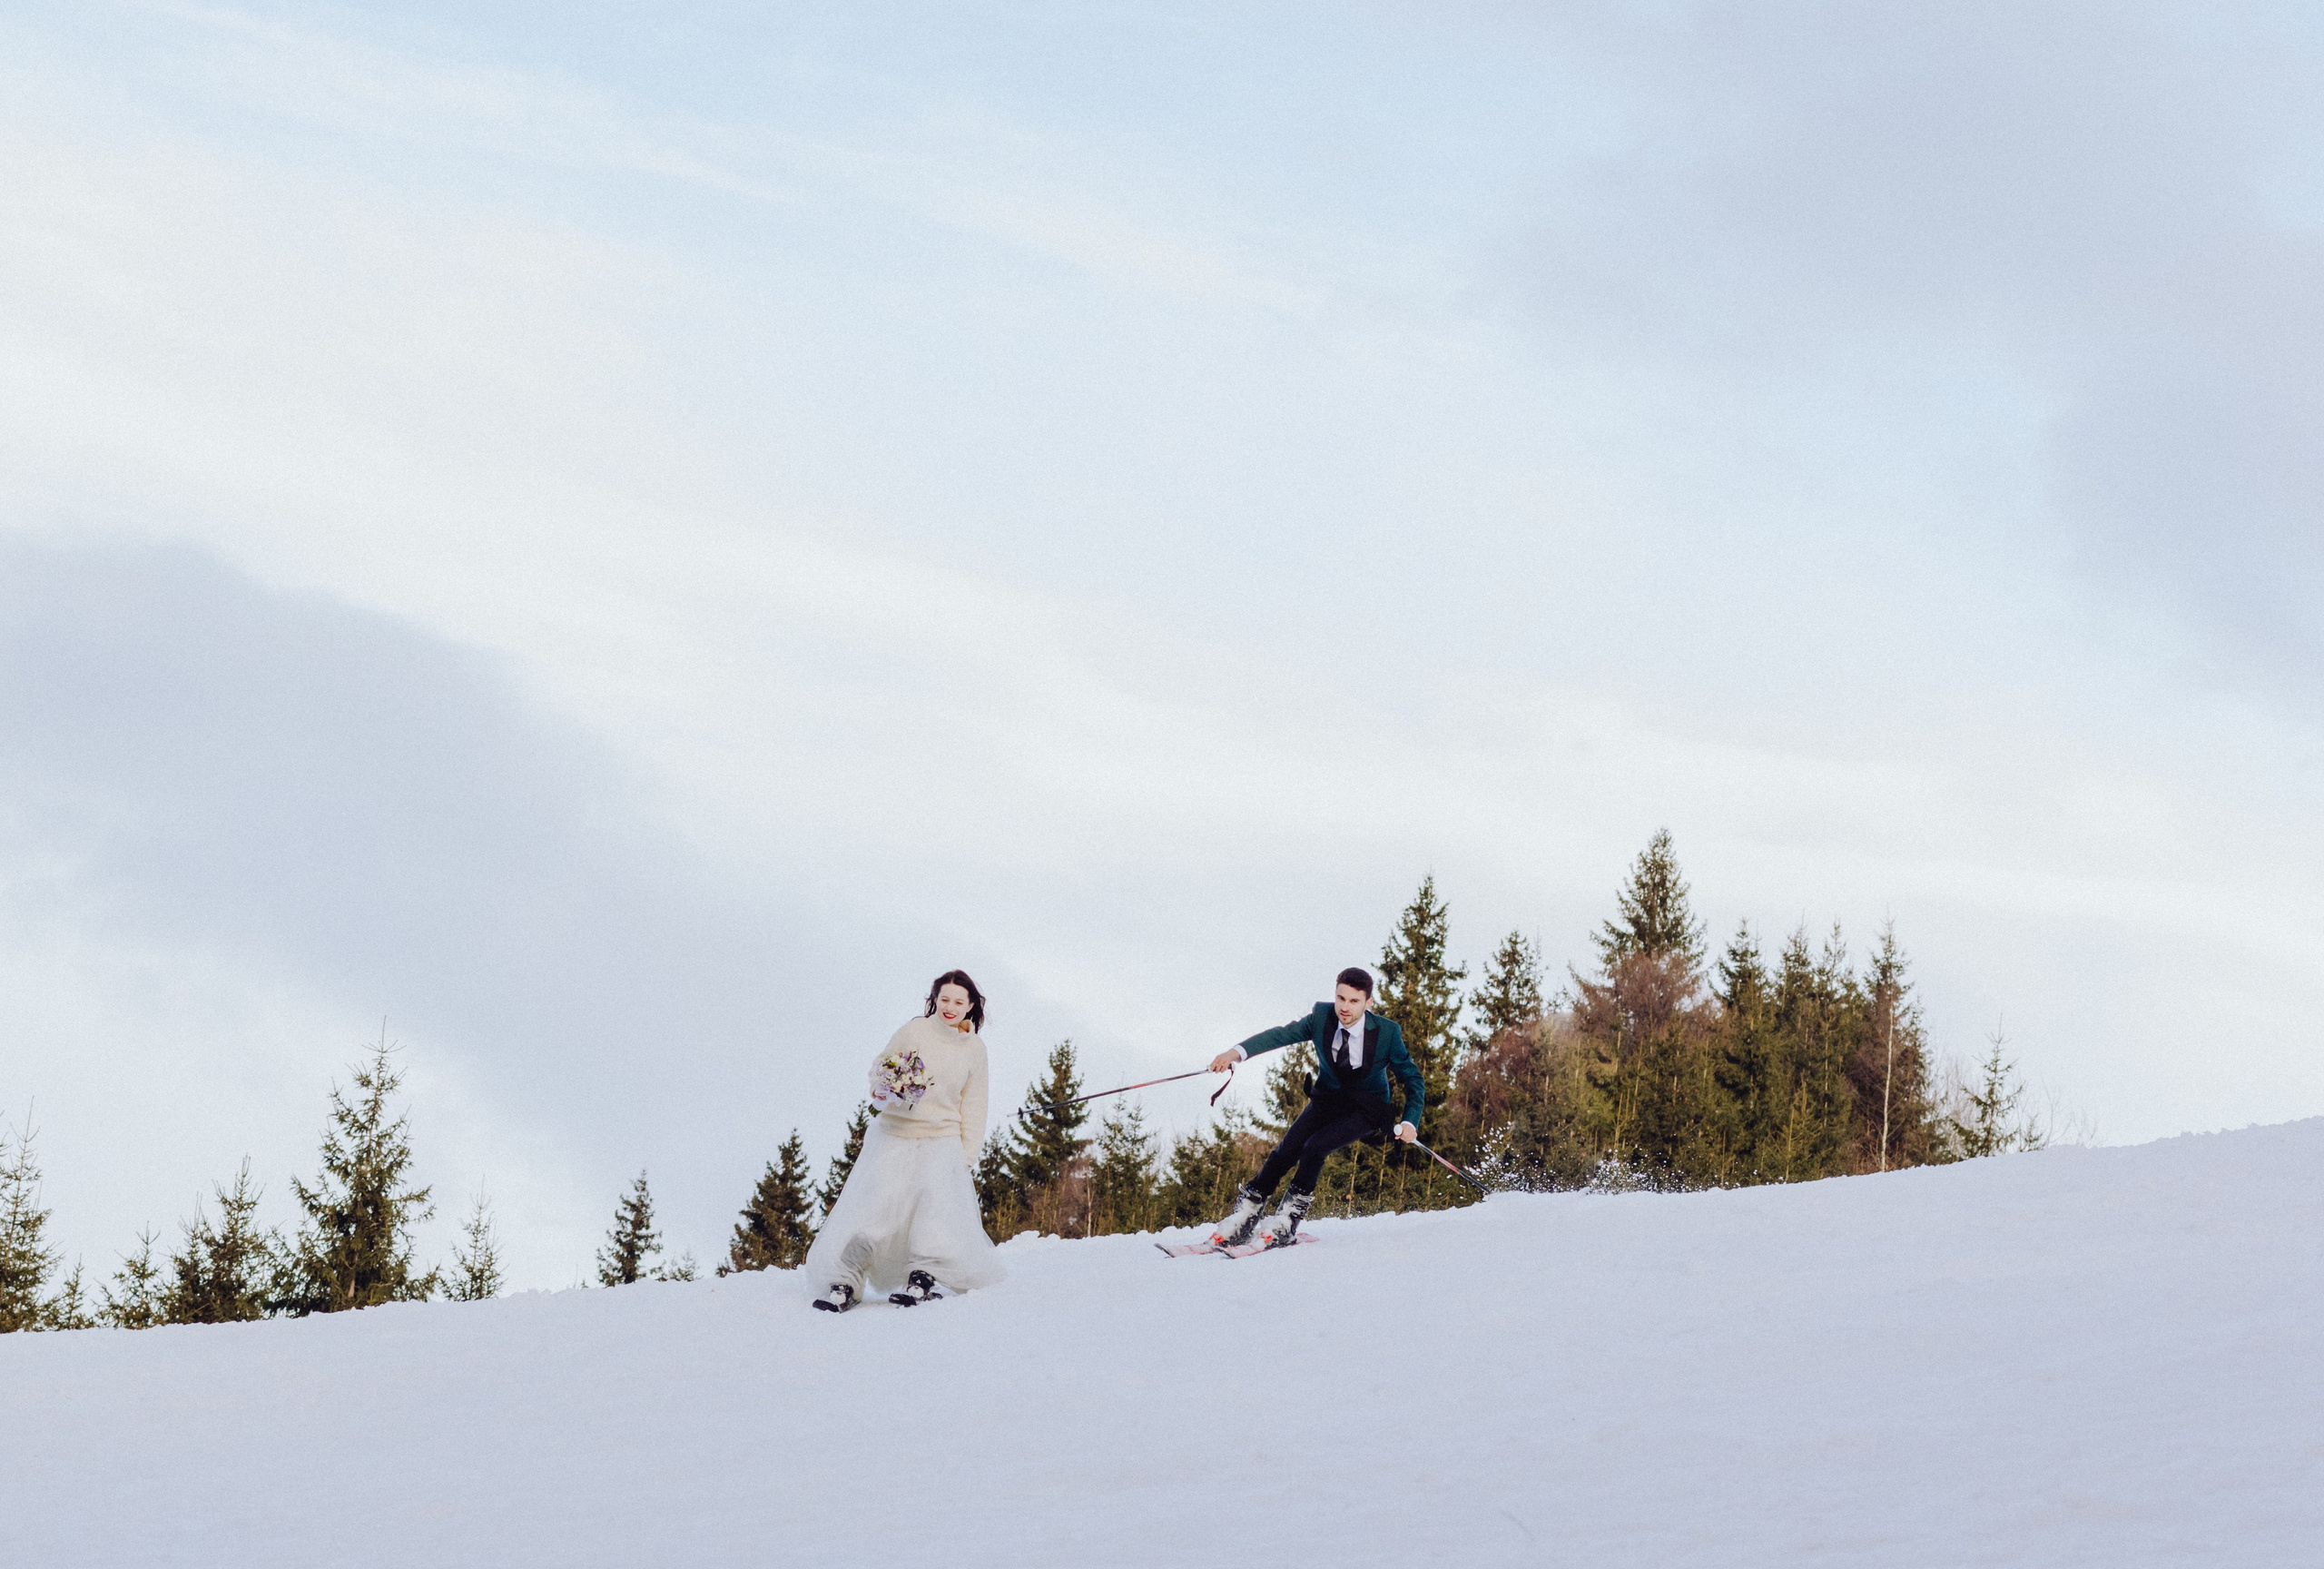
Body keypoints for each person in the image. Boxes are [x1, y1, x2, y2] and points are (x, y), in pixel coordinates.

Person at [804, 970, 1006, 1312]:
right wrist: (884, 1089)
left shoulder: (975, 1049)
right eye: (944, 999)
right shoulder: (915, 1030)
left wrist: (966, 1156)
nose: (950, 1007)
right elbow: (880, 1069)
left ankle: (922, 1279)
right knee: (874, 1210)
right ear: (935, 1000)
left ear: (971, 1005)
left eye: (959, 1001)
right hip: (894, 1136)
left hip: (941, 1142)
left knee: (933, 1217)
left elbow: (974, 1106)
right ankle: (846, 1281)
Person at [1204, 966, 1423, 1248]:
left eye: (1354, 1001)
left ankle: (1286, 1222)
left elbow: (1413, 1080)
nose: (1345, 1007)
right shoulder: (1322, 1017)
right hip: (1327, 1100)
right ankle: (1245, 1216)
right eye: (1340, 998)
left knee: (1315, 1147)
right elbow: (1280, 1035)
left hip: (1366, 1108)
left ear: (1369, 1003)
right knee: (1286, 1150)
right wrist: (1234, 1053)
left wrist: (1410, 1121)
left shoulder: (1387, 1034)